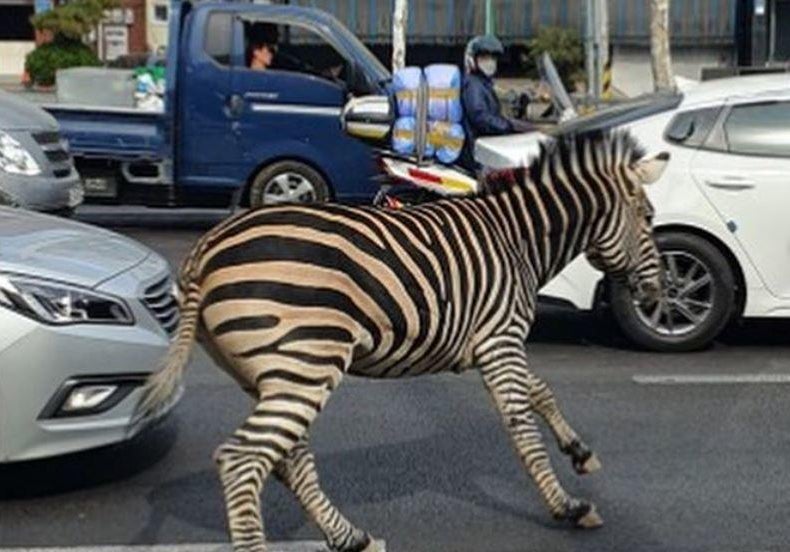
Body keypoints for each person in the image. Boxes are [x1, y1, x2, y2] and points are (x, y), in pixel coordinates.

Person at [460, 35, 534, 169]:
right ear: (472, 60)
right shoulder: (473, 84)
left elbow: (495, 110)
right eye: (484, 57)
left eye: (493, 58)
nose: (490, 62)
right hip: (479, 151)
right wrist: (507, 126)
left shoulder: (484, 84)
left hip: (487, 145)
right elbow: (480, 117)